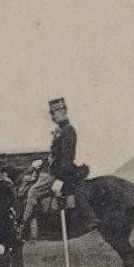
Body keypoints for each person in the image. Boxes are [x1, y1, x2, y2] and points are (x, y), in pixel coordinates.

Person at [24, 97, 83, 226]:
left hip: (58, 173)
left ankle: (23, 226)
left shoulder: (68, 130)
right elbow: (54, 155)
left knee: (33, 192)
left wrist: (61, 178)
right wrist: (42, 161)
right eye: (51, 114)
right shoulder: (60, 131)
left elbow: (67, 158)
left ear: (63, 112)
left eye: (54, 113)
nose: (52, 117)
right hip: (52, 170)